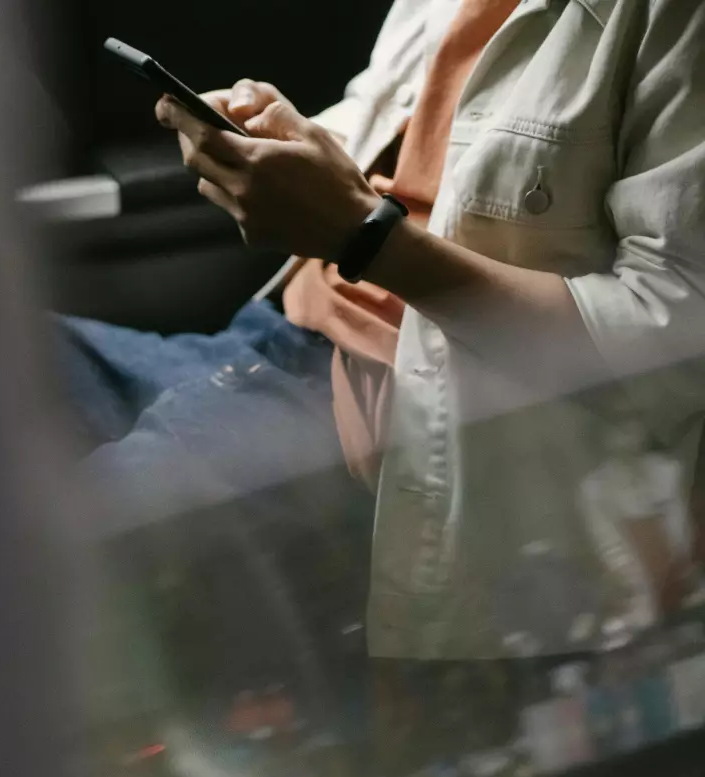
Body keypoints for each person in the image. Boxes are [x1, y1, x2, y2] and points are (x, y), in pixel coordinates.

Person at [61, 0, 705, 663]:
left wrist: (360, 236)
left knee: (21, 567)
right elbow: (395, 137)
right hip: (269, 340)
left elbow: (667, 355)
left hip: (361, 431)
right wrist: (271, 140)